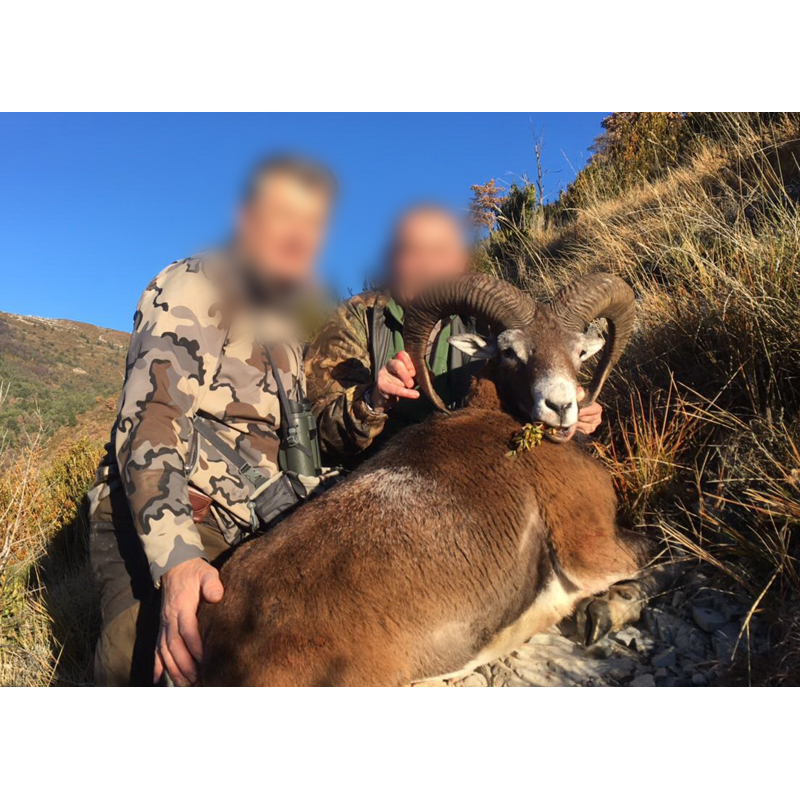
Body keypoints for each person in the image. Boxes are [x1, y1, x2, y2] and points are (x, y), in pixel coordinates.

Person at [88, 155, 336, 686]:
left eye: (312, 223)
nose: (299, 236)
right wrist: (177, 563)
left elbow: (300, 443)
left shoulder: (287, 327)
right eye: (284, 216)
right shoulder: (198, 283)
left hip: (260, 522)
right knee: (169, 659)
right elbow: (150, 418)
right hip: (169, 517)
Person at [305, 204, 603, 464]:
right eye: (411, 251)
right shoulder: (356, 319)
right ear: (392, 261)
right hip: (376, 476)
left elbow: (529, 395)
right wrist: (373, 401)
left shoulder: (493, 322)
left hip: (472, 469)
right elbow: (318, 437)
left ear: (460, 261)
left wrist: (575, 414)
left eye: (439, 252)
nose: (426, 266)